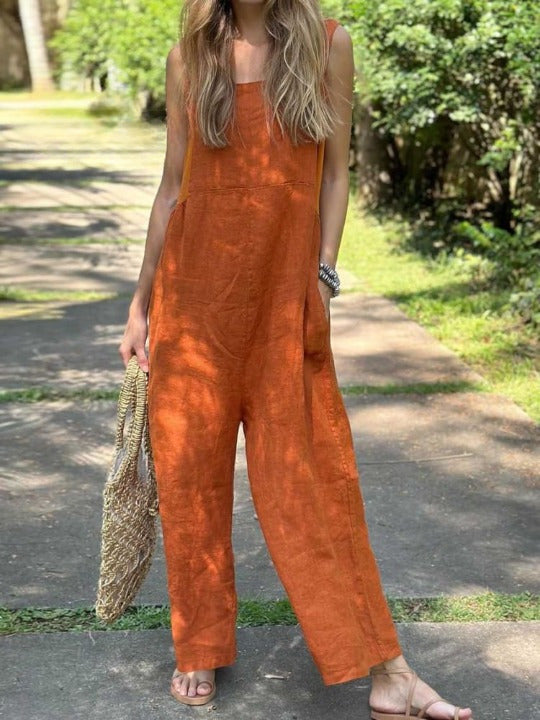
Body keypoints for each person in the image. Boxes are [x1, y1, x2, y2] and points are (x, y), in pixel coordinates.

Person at [119, 1, 473, 718]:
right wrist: (140, 303)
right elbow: (172, 187)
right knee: (190, 485)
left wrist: (324, 276)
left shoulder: (327, 44)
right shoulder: (190, 56)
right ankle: (199, 645)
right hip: (194, 307)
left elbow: (337, 174)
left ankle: (391, 671)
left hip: (285, 306)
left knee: (312, 486)